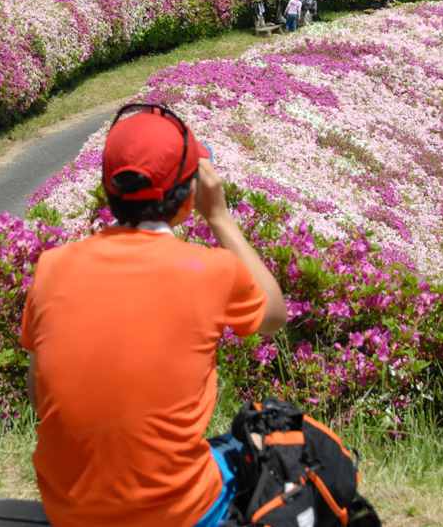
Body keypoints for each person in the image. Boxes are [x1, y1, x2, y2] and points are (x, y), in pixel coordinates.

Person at [20, 104, 287, 527]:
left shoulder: (52, 266)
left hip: (69, 510)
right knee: (276, 447)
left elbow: (39, 391)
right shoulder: (212, 270)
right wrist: (219, 216)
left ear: (108, 189)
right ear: (189, 199)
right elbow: (275, 313)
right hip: (177, 513)